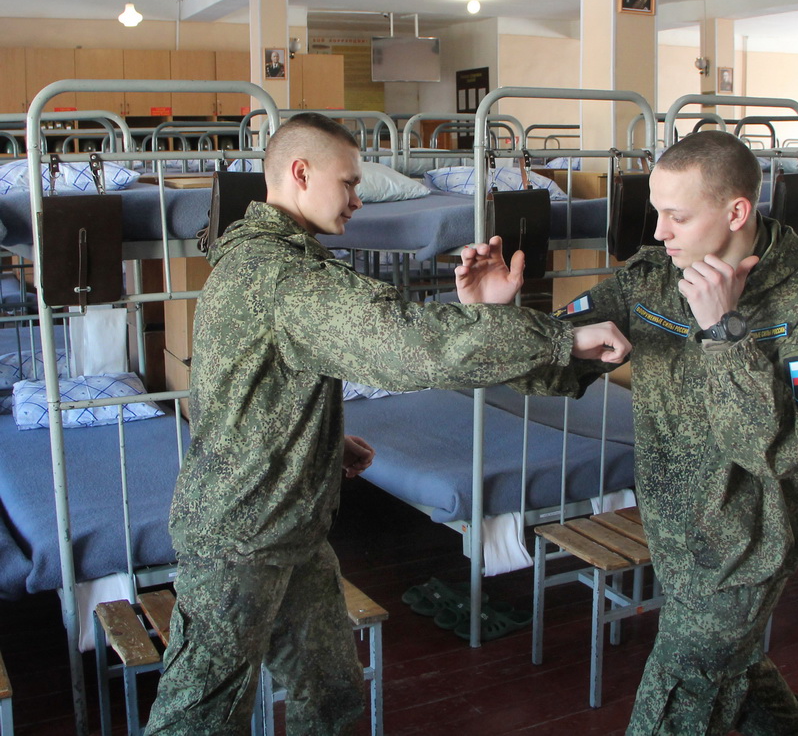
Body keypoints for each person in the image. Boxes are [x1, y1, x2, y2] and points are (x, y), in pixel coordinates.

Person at [144, 112, 630, 735]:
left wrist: (321, 442)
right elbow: (412, 343)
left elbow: (245, 391)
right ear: (300, 173)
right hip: (242, 537)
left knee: (333, 697)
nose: (357, 198)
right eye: (347, 183)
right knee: (198, 720)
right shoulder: (283, 277)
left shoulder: (254, 260)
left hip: (288, 528)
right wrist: (560, 339)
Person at [459, 130, 798, 734]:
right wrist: (499, 319)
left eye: (677, 215)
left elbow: (788, 447)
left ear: (736, 211)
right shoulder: (650, 281)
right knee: (736, 678)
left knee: (676, 702)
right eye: (657, 212)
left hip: (746, 547)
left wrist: (724, 334)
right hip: (674, 533)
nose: (661, 231)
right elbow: (561, 367)